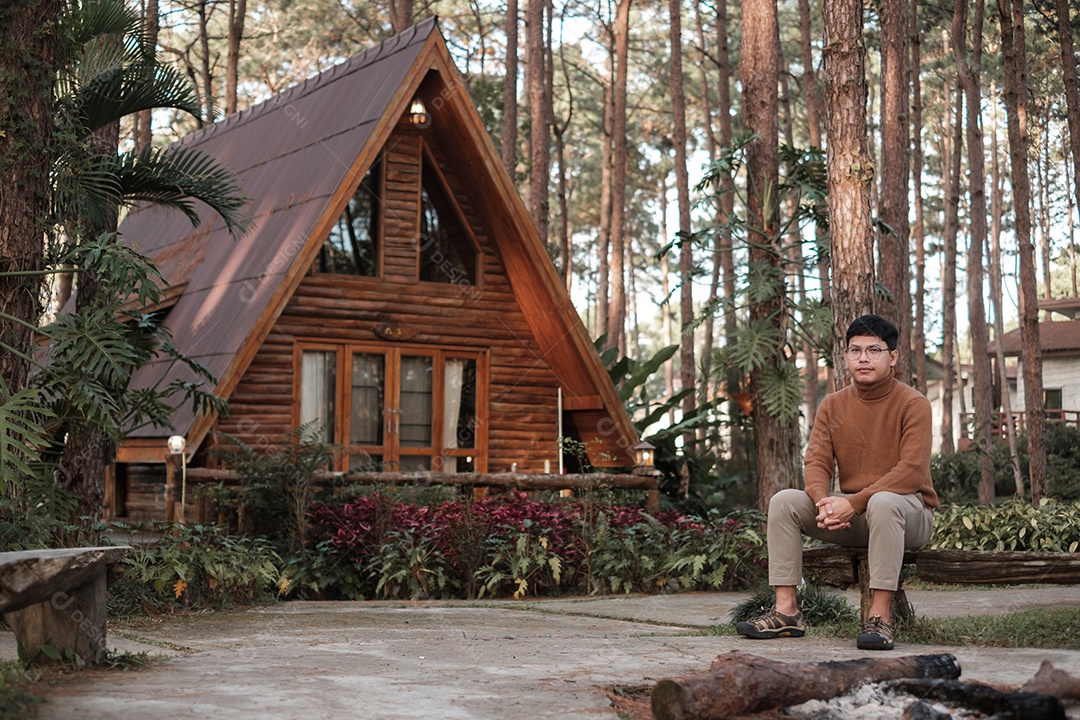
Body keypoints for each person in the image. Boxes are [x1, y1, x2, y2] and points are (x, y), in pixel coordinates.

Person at [735, 314, 937, 651]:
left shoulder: (913, 404)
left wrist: (853, 502)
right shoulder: (832, 405)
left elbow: (912, 472)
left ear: (893, 357)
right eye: (855, 350)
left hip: (909, 514)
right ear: (845, 356)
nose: (863, 358)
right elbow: (816, 463)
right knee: (784, 500)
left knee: (883, 501)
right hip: (854, 514)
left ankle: (880, 618)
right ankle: (787, 612)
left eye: (874, 350)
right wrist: (823, 502)